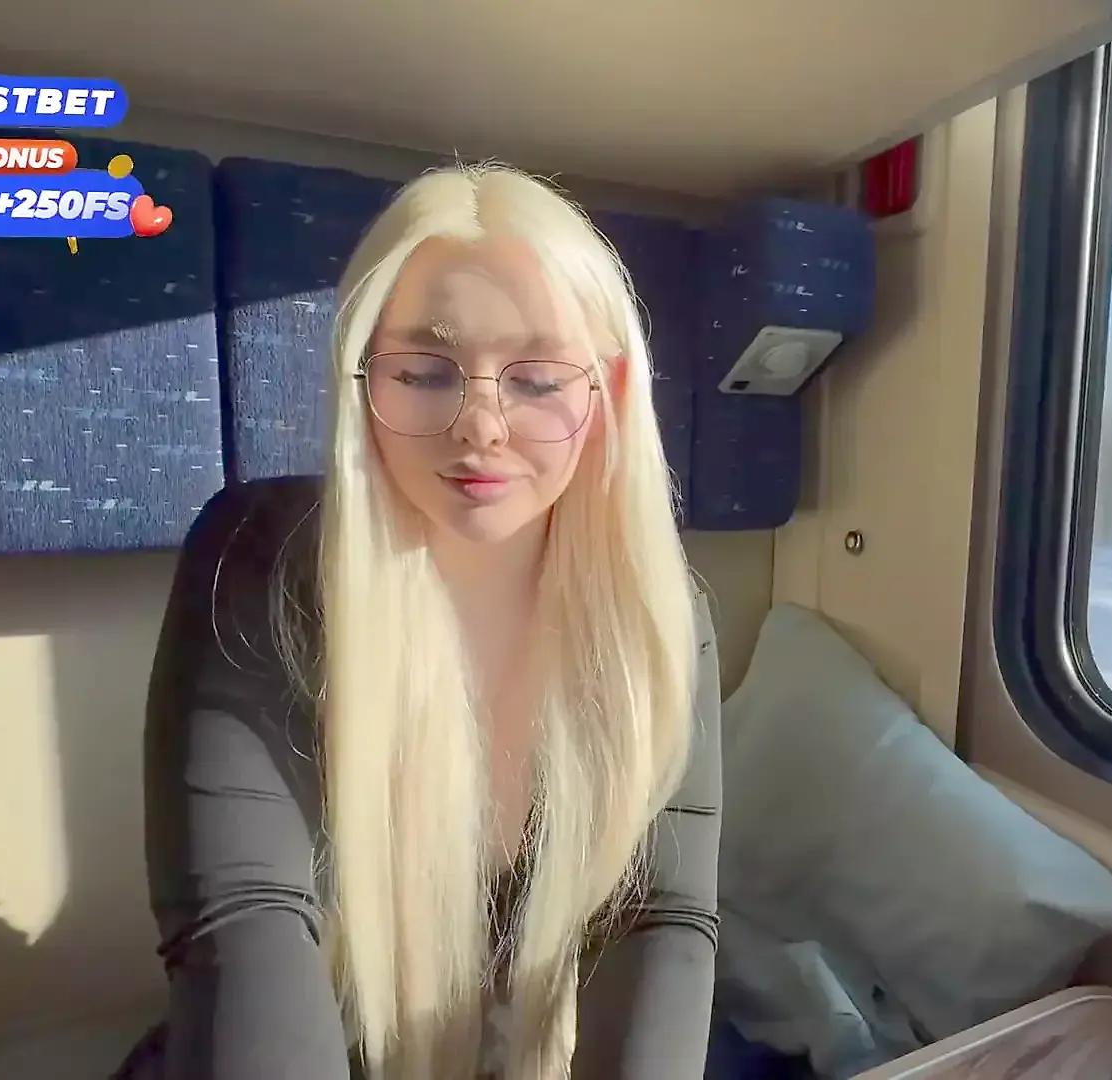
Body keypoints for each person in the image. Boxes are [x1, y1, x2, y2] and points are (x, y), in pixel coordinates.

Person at [113, 164, 722, 1080]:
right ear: (363, 385)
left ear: (609, 394)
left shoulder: (660, 614)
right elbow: (242, 921)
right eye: (426, 372)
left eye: (538, 379)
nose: (480, 424)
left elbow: (660, 916)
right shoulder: (261, 563)